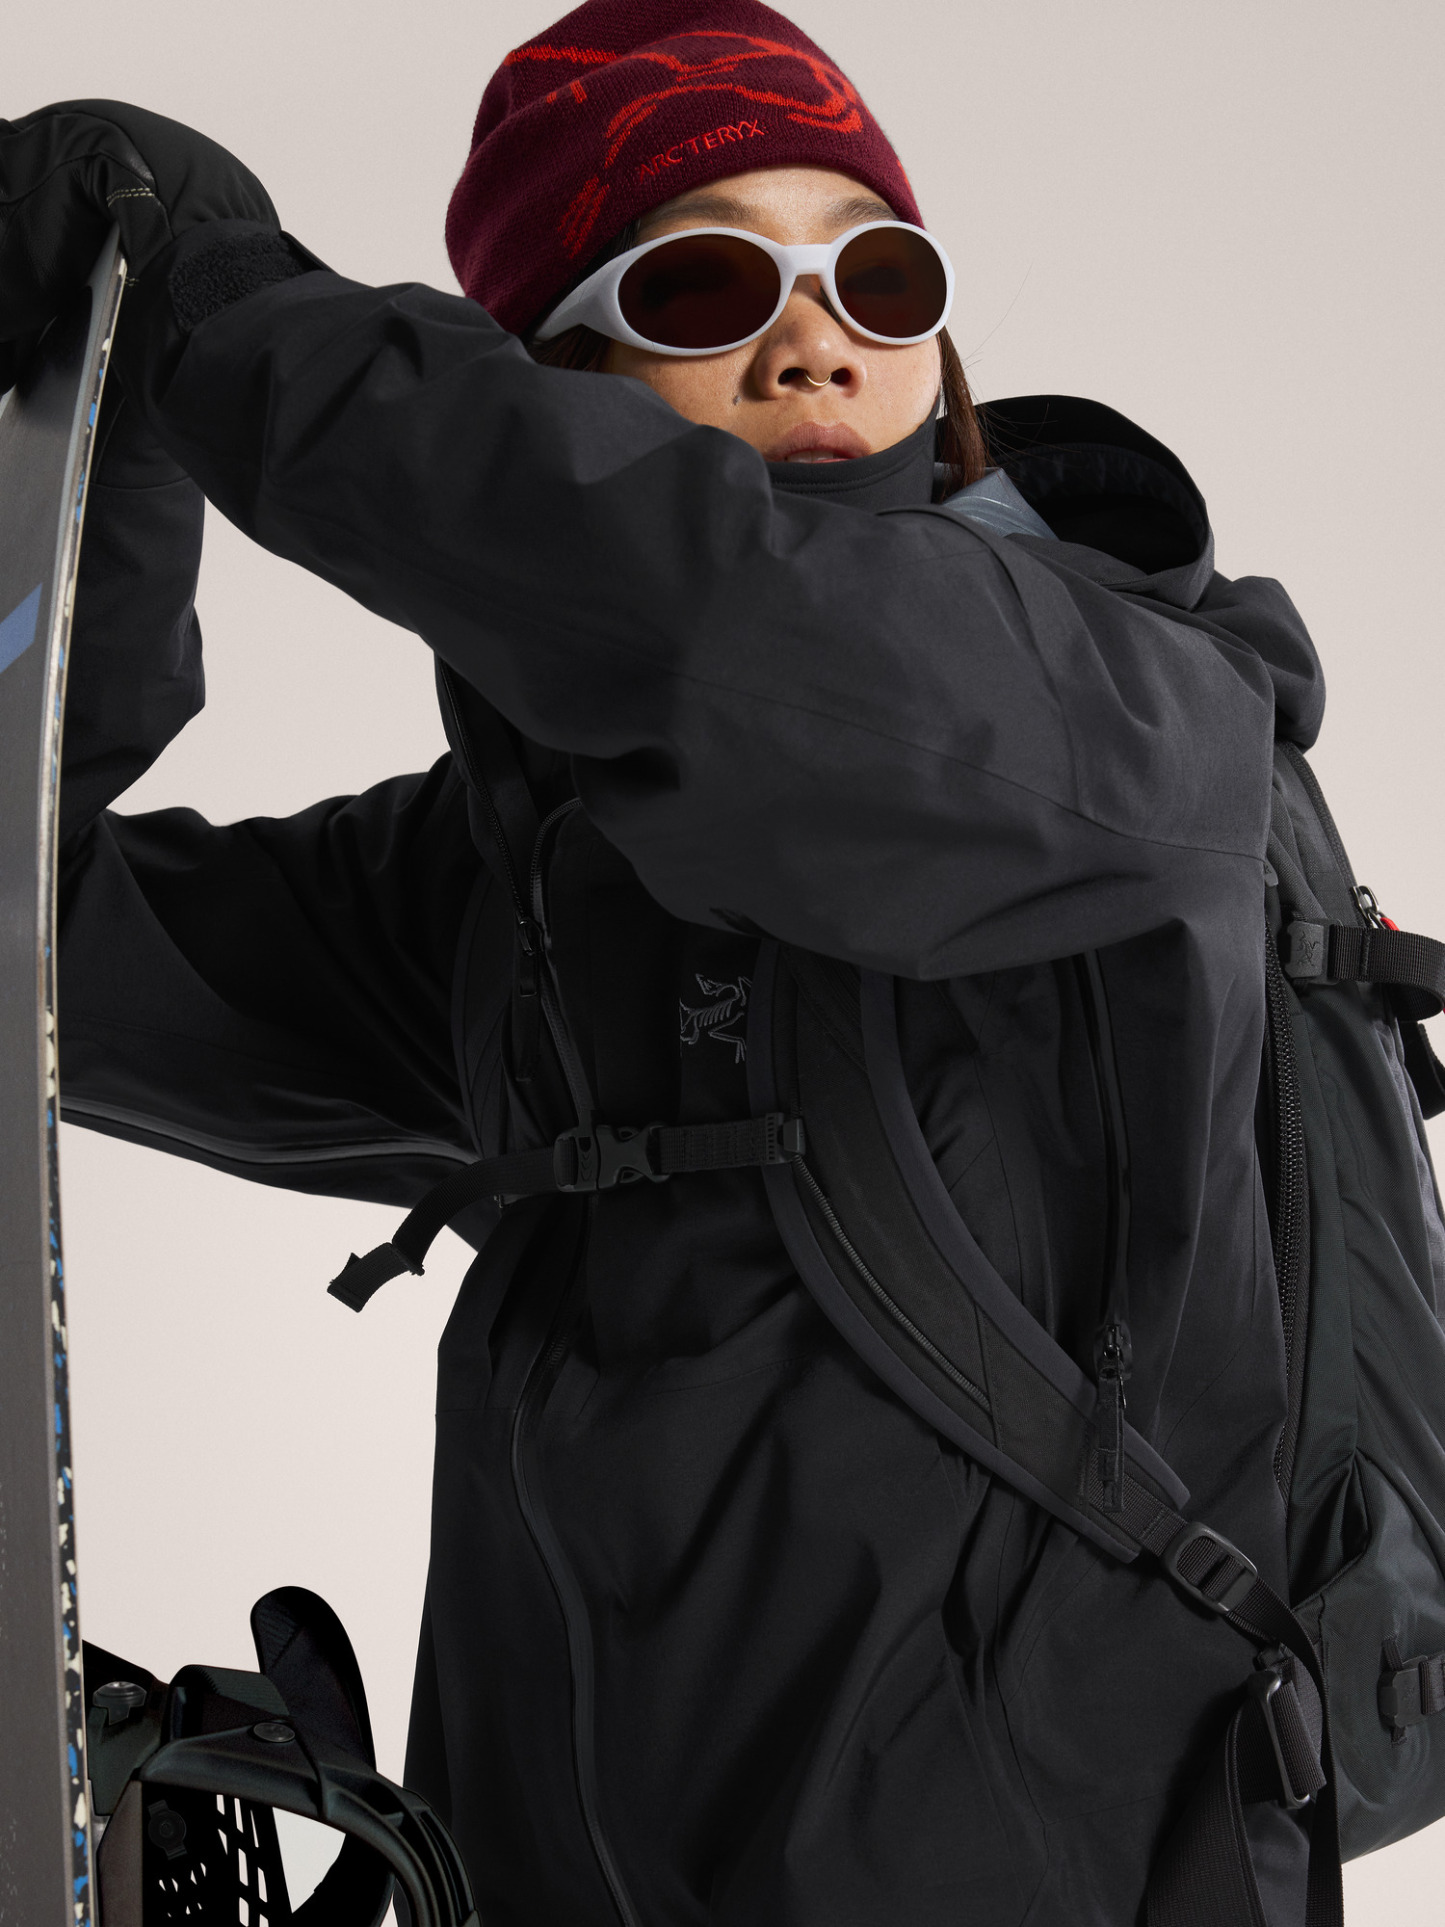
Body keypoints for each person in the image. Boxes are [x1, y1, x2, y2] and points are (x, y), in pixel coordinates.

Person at [0, 3, 1330, 1921]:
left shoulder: (1124, 720)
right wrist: (113, 429)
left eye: (878, 276)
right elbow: (30, 938)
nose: (816, 339)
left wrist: (211, 314)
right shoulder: (518, 893)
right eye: (701, 286)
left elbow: (724, 640)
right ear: (559, 377)